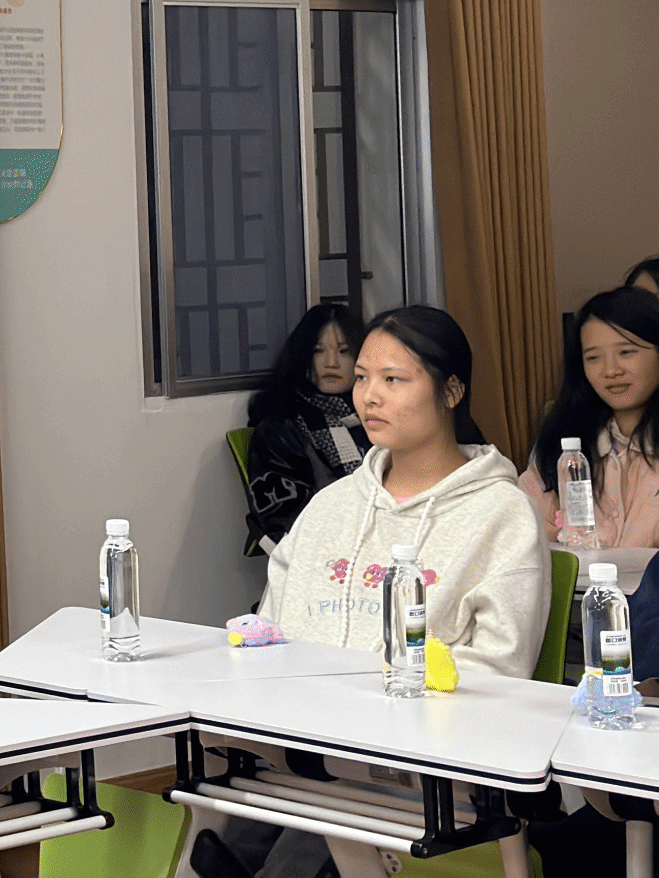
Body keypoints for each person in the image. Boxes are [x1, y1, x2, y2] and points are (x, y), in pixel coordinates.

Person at [194, 307, 550, 878]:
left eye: (393, 379)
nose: (369, 396)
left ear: (451, 391)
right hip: (311, 746)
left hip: (424, 763)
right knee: (226, 812)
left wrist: (375, 709)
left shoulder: (500, 514)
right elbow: (274, 631)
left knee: (298, 834)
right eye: (362, 378)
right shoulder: (333, 505)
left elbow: (501, 668)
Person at [520, 286, 659, 548]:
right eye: (593, 357)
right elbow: (524, 535)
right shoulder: (561, 448)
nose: (611, 370)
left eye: (626, 352)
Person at [242, 303, 370, 552]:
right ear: (303, 357)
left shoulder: (374, 417)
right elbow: (286, 521)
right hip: (324, 553)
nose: (331, 363)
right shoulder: (280, 429)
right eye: (318, 351)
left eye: (344, 351)